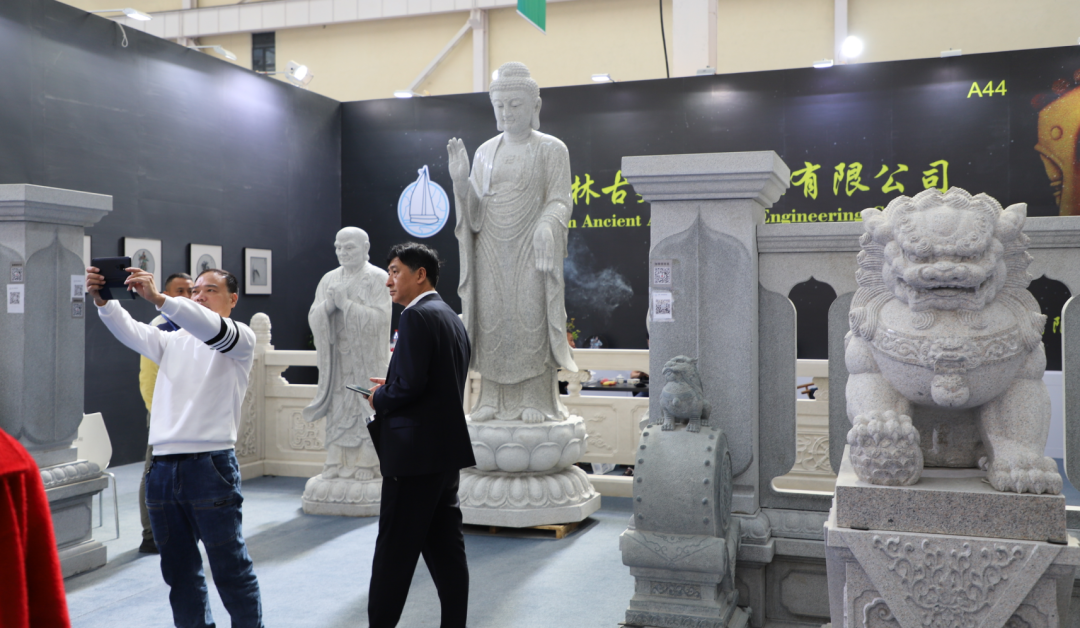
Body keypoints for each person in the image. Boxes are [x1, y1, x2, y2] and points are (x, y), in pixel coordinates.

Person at [86, 265, 264, 628]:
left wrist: (159, 299)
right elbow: (131, 331)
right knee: (179, 572)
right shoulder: (172, 340)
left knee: (230, 567)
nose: (199, 296)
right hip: (163, 467)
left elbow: (209, 327)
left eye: (210, 290)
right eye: (195, 291)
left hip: (211, 466)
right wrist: (104, 301)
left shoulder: (239, 338)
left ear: (232, 299)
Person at [447, 61, 578, 425]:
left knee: (530, 319)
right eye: (500, 105)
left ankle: (536, 399)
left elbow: (560, 199)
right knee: (491, 320)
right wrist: (460, 182)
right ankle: (491, 398)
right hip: (490, 249)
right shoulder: (485, 151)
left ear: (535, 105)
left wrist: (547, 223)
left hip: (530, 249)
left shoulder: (551, 149)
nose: (506, 112)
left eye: (515, 104)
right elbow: (474, 212)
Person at [364, 242, 475, 628]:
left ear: (420, 274)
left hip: (412, 460)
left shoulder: (414, 316)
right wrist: (393, 384)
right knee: (447, 552)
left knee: (393, 555)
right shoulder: (449, 316)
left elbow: (410, 388)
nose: (388, 281)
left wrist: (379, 396)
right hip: (443, 455)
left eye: (395, 271)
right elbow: (433, 382)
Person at [302, 227, 391, 480]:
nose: (342, 252)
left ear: (365, 248)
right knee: (338, 407)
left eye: (349, 247)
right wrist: (329, 306)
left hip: (367, 360)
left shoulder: (378, 278)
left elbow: (381, 320)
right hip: (338, 361)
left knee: (366, 406)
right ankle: (335, 459)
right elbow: (314, 316)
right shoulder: (329, 279)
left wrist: (346, 305)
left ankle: (368, 461)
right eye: (338, 247)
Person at [136, 272, 194, 554]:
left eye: (191, 290)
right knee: (154, 474)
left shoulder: (197, 325)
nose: (187, 296)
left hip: (190, 415)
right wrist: (157, 414)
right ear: (165, 294)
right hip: (164, 415)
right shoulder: (160, 326)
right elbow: (148, 379)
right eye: (180, 291)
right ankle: (150, 536)